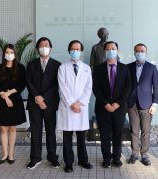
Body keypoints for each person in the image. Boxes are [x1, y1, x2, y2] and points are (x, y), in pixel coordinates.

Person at [93, 41, 131, 168]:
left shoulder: (125, 68)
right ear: (104, 51)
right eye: (108, 49)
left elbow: (128, 87)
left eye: (113, 48)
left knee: (117, 134)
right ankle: (106, 158)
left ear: (118, 50)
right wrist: (105, 103)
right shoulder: (98, 69)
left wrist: (118, 103)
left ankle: (116, 158)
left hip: (119, 108)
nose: (110, 51)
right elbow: (95, 88)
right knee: (104, 135)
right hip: (102, 107)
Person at [57, 40, 93, 173]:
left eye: (77, 49)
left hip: (81, 108)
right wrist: (72, 103)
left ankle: (83, 160)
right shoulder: (63, 67)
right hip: (68, 107)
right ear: (69, 51)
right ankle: (68, 163)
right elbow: (62, 87)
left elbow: (88, 88)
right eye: (73, 49)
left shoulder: (86, 68)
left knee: (81, 137)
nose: (75, 51)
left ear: (81, 51)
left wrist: (81, 103)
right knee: (67, 138)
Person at [26, 37, 61, 169]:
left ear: (50, 48)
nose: (44, 47)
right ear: (37, 48)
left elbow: (56, 85)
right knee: (35, 130)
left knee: (51, 130)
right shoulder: (31, 64)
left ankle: (52, 157)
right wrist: (37, 97)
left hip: (50, 103)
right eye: (41, 45)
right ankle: (35, 158)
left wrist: (43, 98)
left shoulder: (57, 65)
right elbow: (28, 82)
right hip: (34, 102)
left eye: (46, 45)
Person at [127, 43, 158, 166]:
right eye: (137, 51)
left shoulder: (152, 67)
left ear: (146, 52)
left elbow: (156, 87)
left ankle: (144, 155)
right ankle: (134, 153)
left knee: (146, 131)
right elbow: (125, 86)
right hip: (132, 103)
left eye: (142, 51)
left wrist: (155, 104)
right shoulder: (128, 67)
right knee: (134, 130)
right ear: (134, 52)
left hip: (147, 104)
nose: (139, 53)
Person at [0, 44, 26, 165]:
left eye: (11, 52)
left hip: (15, 100)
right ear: (4, 54)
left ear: (15, 54)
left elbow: (22, 85)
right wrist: (5, 96)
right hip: (2, 101)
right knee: (3, 129)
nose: (9, 54)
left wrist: (9, 94)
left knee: (12, 128)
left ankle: (11, 154)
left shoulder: (20, 67)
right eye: (7, 52)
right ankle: (4, 154)